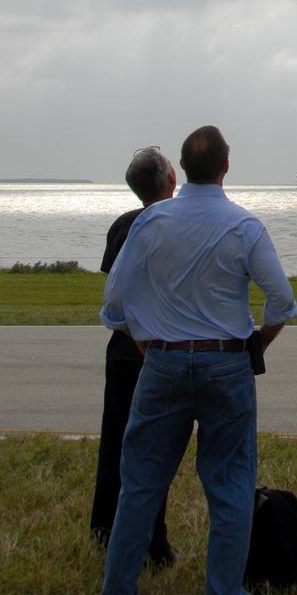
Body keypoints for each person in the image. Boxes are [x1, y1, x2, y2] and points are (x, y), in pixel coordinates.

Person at [99, 125, 297, 595]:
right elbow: (283, 301)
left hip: (163, 364)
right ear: (226, 168)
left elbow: (113, 306)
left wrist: (146, 339)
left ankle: (118, 587)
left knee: (141, 486)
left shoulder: (150, 223)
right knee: (229, 488)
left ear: (181, 170)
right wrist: (259, 344)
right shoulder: (245, 225)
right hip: (227, 362)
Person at [90, 146, 177, 565]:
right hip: (157, 352)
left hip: (121, 350)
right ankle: (152, 541)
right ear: (171, 180)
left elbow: (114, 284)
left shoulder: (123, 225)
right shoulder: (178, 226)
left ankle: (103, 526)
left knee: (116, 441)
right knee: (154, 449)